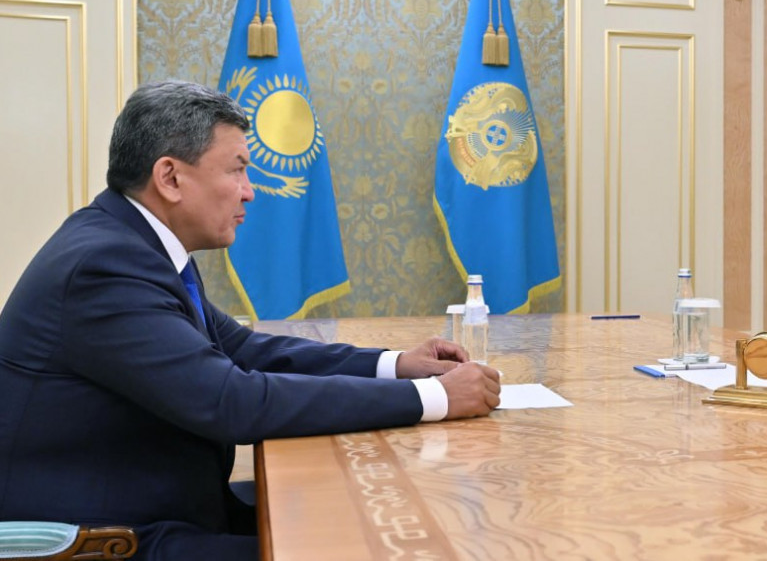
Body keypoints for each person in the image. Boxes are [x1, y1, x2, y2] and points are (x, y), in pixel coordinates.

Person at [0, 81, 502, 560]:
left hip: (163, 502)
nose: (249, 192)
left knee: (359, 517)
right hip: (108, 537)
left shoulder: (133, 241)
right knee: (373, 547)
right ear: (170, 178)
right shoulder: (105, 266)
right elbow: (231, 401)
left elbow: (242, 349)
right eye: (237, 170)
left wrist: (395, 365)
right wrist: (434, 398)